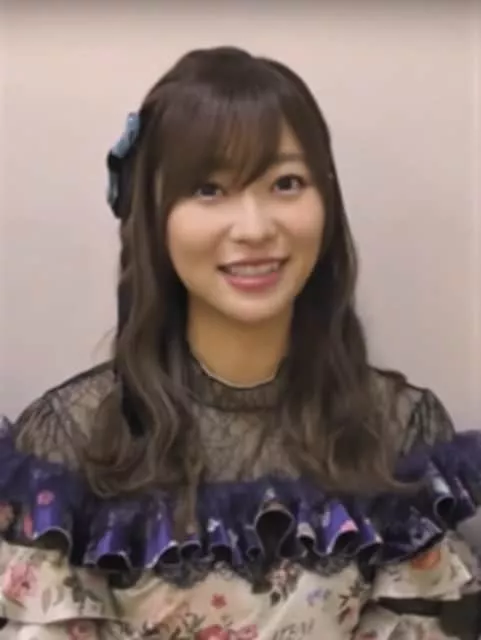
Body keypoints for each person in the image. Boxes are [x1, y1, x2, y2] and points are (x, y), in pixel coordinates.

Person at [0, 46, 480, 640]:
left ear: (326, 202)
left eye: (286, 183)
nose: (254, 228)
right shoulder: (71, 445)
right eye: (209, 189)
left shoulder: (399, 432)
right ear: (152, 216)